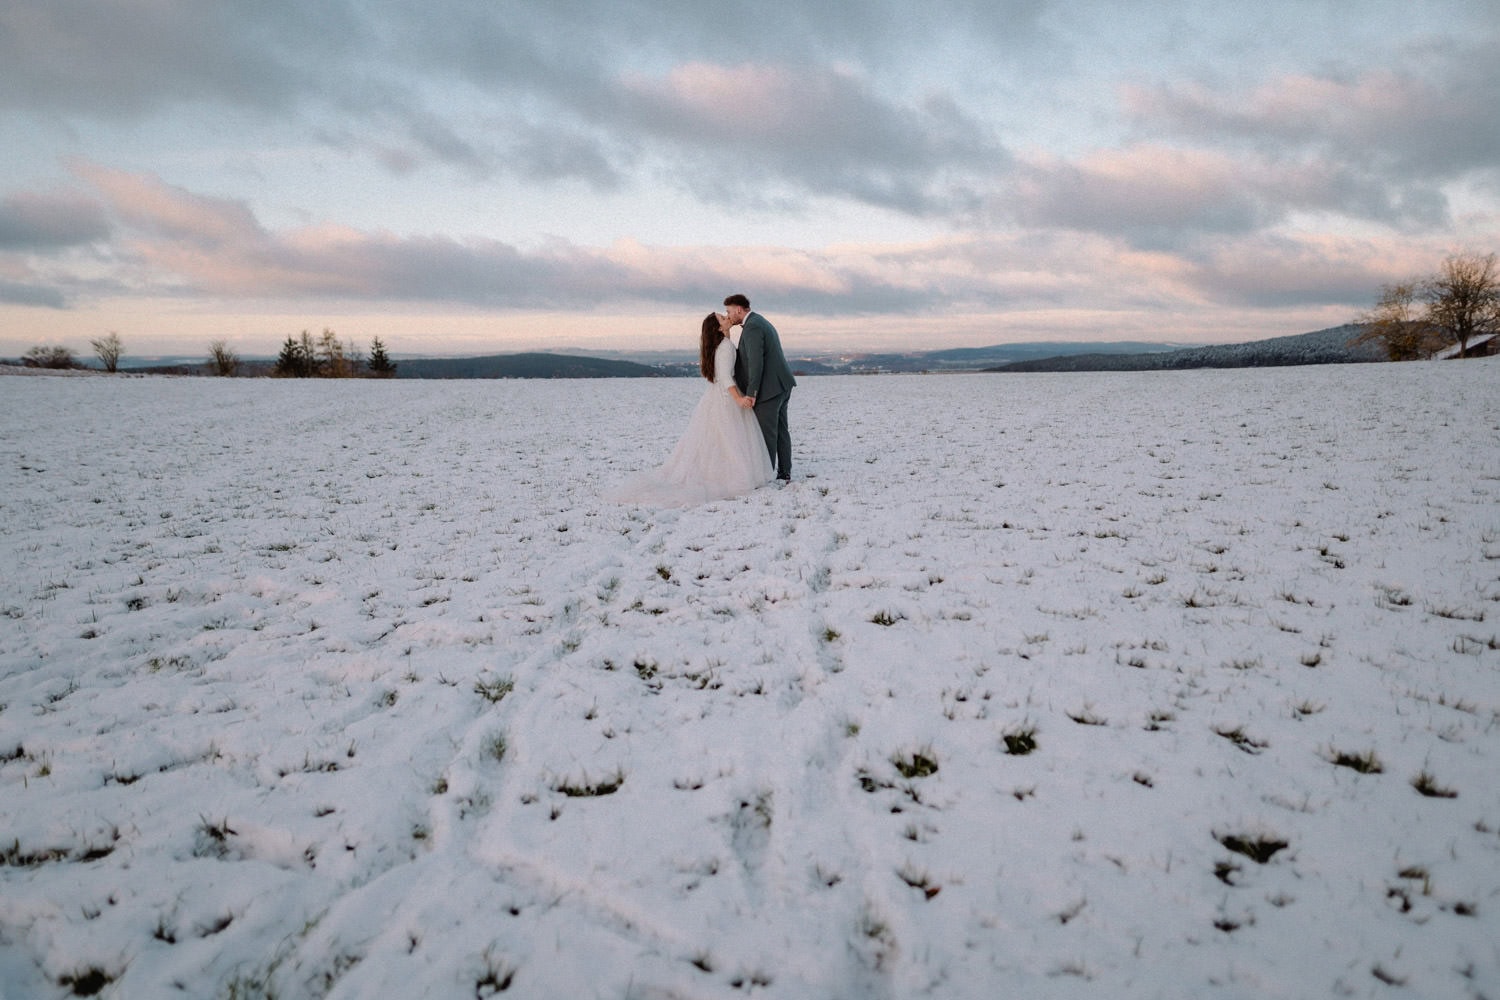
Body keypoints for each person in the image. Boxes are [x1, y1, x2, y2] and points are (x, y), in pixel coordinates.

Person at [607, 313, 774, 506]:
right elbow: (726, 378)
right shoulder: (725, 347)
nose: (727, 317)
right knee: (730, 438)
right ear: (718, 329)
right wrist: (739, 399)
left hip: (716, 396)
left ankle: (721, 471)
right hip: (726, 398)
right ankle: (733, 475)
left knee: (720, 439)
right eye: (723, 318)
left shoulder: (722, 345)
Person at [723, 294, 795, 481]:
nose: (728, 315)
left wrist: (752, 392)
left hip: (769, 389)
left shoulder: (753, 326)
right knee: (780, 430)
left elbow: (756, 362)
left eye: (729, 311)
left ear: (739, 309)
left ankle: (765, 475)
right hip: (782, 384)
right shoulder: (759, 321)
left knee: (767, 435)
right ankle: (784, 471)